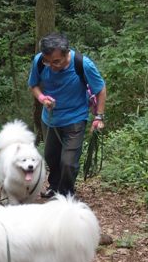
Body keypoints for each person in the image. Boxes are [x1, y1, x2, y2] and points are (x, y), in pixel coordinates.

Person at [28, 32, 107, 198]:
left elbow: (100, 88)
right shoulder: (39, 62)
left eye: (56, 61)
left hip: (75, 118)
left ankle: (66, 195)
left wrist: (99, 116)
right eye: (47, 61)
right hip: (49, 118)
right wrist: (42, 98)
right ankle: (55, 186)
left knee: (68, 162)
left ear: (66, 53)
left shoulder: (82, 64)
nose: (51, 65)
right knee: (51, 157)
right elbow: (33, 85)